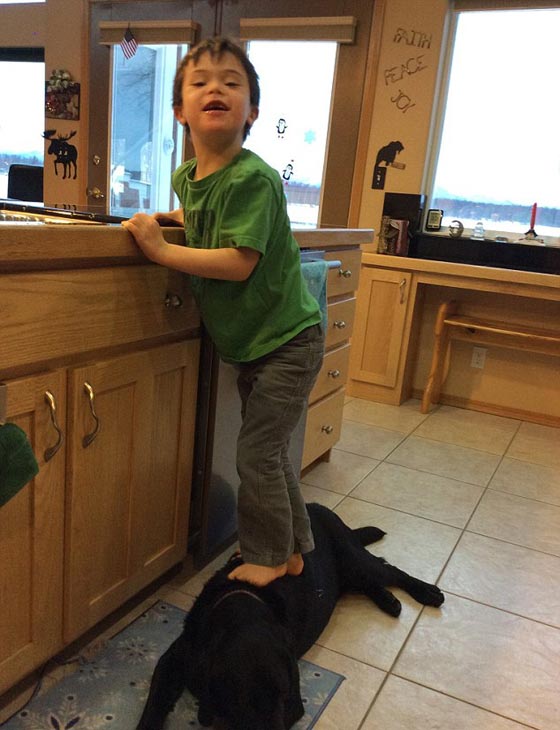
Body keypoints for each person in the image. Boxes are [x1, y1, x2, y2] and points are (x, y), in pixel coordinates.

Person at [122, 37, 324, 587]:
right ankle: (294, 549)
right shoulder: (187, 177)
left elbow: (238, 261)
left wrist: (161, 250)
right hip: (256, 345)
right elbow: (203, 214)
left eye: (232, 82)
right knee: (270, 453)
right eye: (201, 82)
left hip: (287, 342)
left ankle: (267, 557)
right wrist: (176, 221)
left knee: (257, 454)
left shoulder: (253, 177)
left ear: (252, 111)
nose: (216, 88)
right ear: (179, 111)